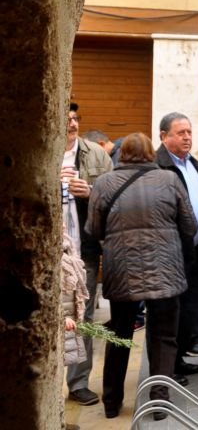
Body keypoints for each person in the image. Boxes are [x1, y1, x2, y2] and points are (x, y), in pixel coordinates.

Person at [86, 133, 197, 421]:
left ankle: (111, 402)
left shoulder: (103, 183)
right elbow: (190, 225)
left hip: (122, 271)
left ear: (121, 155)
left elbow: (94, 229)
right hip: (166, 271)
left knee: (119, 335)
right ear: (150, 153)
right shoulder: (169, 180)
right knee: (163, 337)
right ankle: (159, 401)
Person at [155, 112, 198, 384]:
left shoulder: (192, 162)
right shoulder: (160, 167)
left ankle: (179, 359)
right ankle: (168, 369)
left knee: (190, 309)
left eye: (189, 132)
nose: (187, 137)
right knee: (172, 313)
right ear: (163, 136)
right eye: (181, 133)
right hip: (175, 253)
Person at [63, 102, 113, 408]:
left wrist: (91, 190)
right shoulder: (41, 148)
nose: (72, 124)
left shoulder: (96, 153)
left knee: (83, 316)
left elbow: (113, 194)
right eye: (66, 119)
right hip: (48, 249)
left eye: (75, 118)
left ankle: (78, 383)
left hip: (84, 249)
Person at [60, 219, 88, 430]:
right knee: (56, 369)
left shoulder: (66, 244)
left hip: (69, 312)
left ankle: (59, 417)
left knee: (61, 364)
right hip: (62, 316)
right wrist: (60, 316)